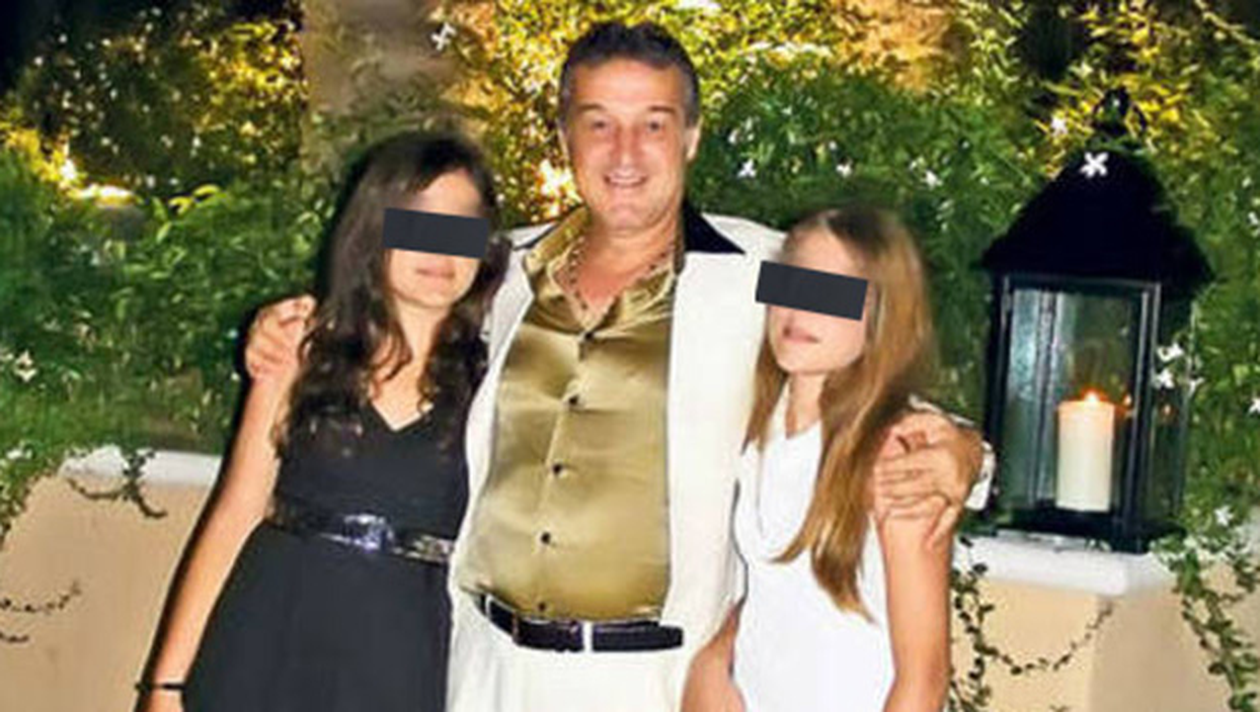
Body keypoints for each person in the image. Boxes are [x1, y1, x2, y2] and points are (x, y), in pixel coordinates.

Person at [245, 22, 991, 712]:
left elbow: (877, 354)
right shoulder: (497, 267)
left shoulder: (761, 272)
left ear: (691, 136)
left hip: (651, 680)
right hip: (486, 668)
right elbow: (377, 309)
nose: (625, 152)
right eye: (598, 122)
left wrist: (966, 455)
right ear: (565, 134)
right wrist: (280, 334)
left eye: (653, 124)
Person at [138, 132, 508, 712]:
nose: (441, 248)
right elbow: (236, 511)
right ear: (376, 228)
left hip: (402, 657)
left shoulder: (498, 379)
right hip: (268, 636)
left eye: (461, 225)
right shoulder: (302, 348)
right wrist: (165, 685)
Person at [684, 206, 952, 712]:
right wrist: (717, 655)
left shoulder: (896, 453)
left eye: (830, 292)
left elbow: (925, 678)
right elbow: (784, 591)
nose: (800, 307)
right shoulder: (761, 427)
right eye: (790, 282)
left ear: (882, 317)